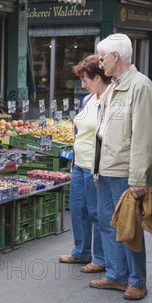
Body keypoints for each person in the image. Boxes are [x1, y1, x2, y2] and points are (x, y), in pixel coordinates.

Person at [90, 33, 152, 300]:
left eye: (102, 59)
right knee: (108, 224)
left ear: (115, 57)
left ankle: (137, 281)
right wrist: (96, 169)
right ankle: (116, 275)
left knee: (129, 227)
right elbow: (105, 132)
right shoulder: (113, 87)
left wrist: (137, 178)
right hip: (106, 168)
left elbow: (143, 136)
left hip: (125, 172)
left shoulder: (141, 87)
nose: (100, 65)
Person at [58, 55, 110, 273]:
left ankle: (99, 257)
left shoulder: (108, 100)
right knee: (78, 208)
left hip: (95, 165)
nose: (83, 84)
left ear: (98, 78)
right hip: (79, 164)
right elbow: (78, 131)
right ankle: (81, 251)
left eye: (85, 79)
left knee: (95, 211)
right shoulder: (87, 100)